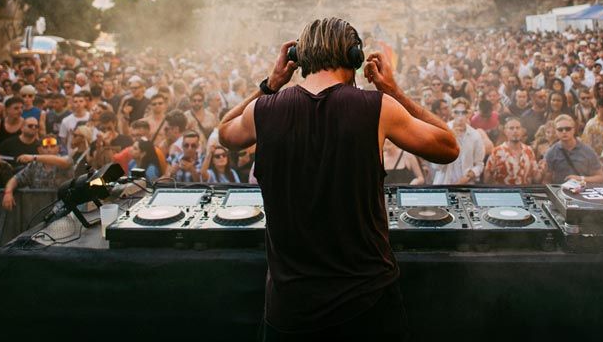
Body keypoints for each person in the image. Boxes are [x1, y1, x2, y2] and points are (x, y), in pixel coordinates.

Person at [218, 18, 458, 340]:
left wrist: (271, 84)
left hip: (290, 307)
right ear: (355, 56)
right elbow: (448, 147)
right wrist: (392, 90)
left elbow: (225, 132)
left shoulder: (261, 111)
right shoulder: (379, 108)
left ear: (299, 59)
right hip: (367, 304)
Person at [2, 136, 74, 210]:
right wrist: (8, 192)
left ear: (58, 148)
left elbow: (65, 162)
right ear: (39, 150)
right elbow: (16, 179)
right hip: (39, 209)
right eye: (45, 147)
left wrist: (34, 157)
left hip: (63, 208)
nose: (49, 150)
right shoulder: (34, 165)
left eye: (52, 146)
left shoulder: (66, 159)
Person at [431, 98, 485, 184]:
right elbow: (436, 165)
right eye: (457, 112)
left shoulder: (475, 135)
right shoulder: (442, 131)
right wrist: (450, 139)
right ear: (452, 113)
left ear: (468, 114)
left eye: (463, 112)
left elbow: (479, 164)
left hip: (466, 185)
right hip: (444, 183)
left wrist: (469, 175)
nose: (460, 116)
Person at [543, 114, 603, 184]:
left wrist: (580, 179)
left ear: (574, 130)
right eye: (560, 129)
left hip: (583, 189)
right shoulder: (551, 152)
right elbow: (546, 180)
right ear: (556, 132)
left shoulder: (587, 151)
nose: (564, 132)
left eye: (568, 129)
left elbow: (601, 178)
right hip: (560, 189)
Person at [484, 117, 541, 185]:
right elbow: (486, 180)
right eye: (511, 128)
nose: (515, 131)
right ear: (505, 132)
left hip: (524, 190)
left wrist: (543, 168)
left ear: (522, 131)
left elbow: (536, 179)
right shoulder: (497, 152)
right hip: (503, 190)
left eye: (518, 128)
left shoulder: (529, 151)